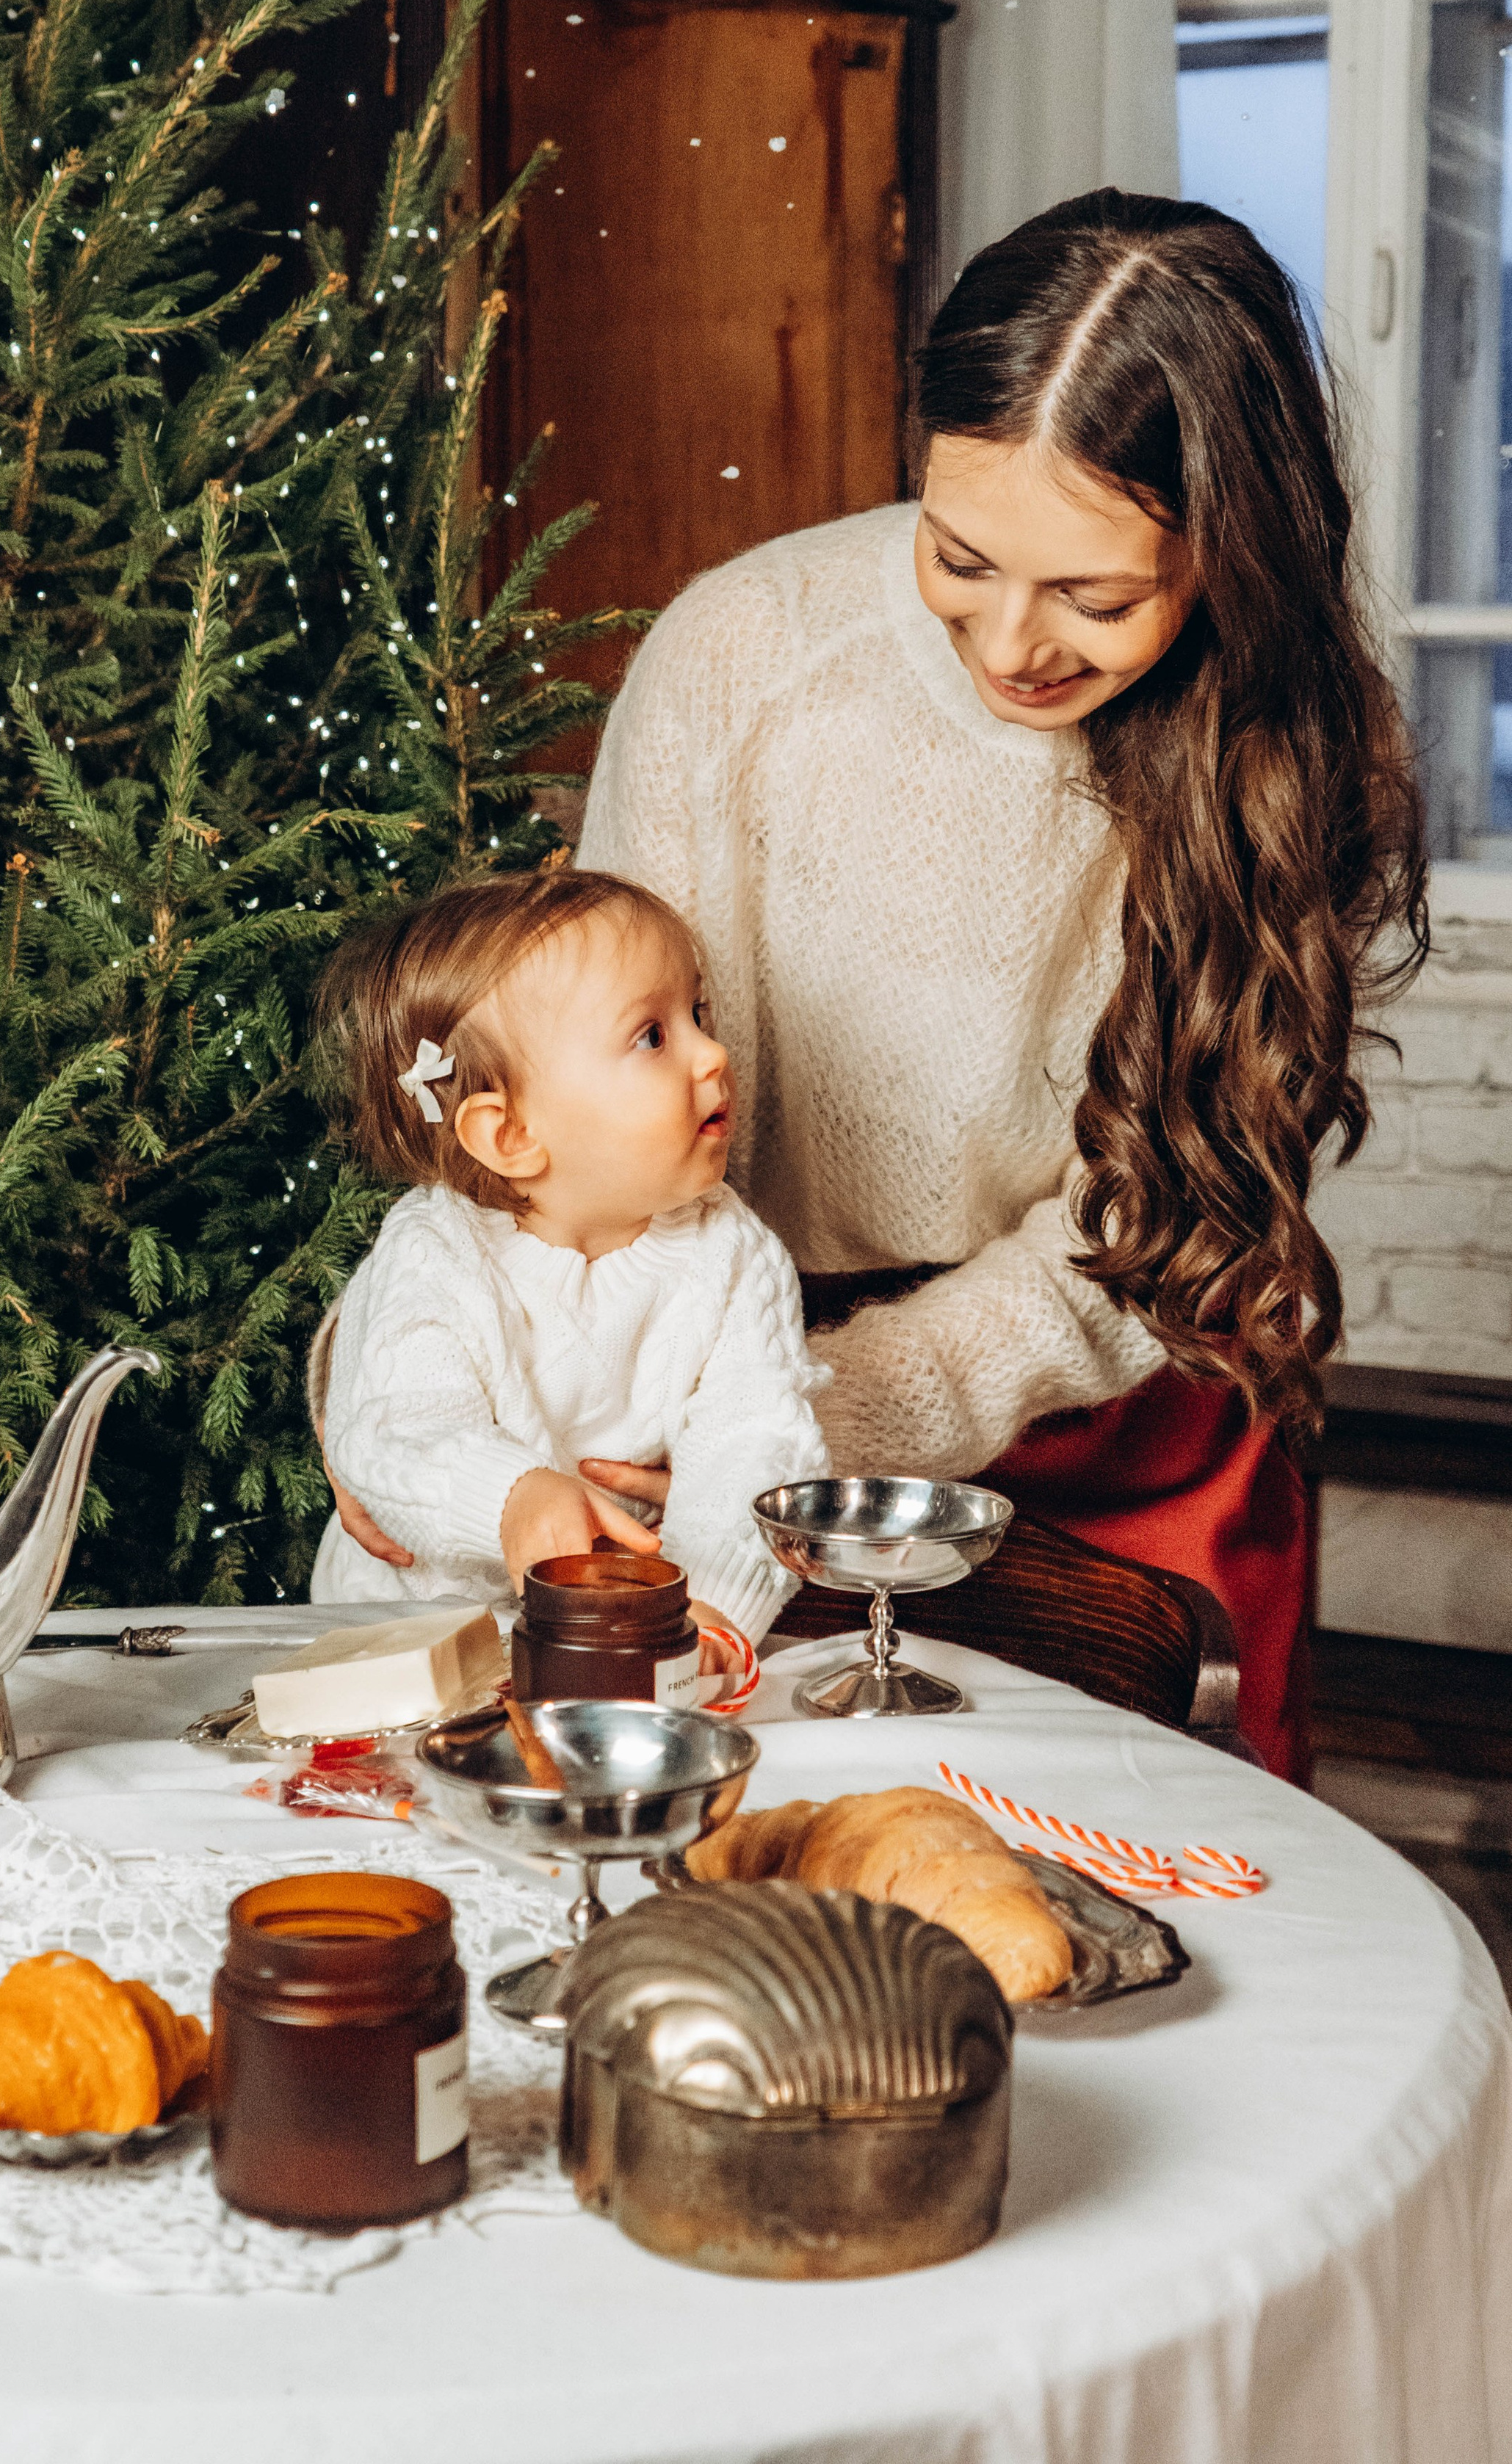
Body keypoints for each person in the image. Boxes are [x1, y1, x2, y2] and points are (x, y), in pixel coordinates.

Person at [327, 189, 1428, 1780]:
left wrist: (806, 1420)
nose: (1009, 645)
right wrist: (428, 1405)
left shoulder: (1311, 749)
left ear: (1230, 549)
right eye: (956, 554)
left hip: (1102, 1436)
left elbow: (1169, 1222)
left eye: (1098, 599)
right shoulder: (741, 658)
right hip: (694, 1423)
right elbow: (573, 1096)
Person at [307, 867, 828, 1670]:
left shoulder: (733, 1253)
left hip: (620, 1638)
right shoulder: (434, 1254)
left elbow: (754, 1441)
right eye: (652, 1036)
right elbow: (392, 1429)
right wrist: (511, 1495)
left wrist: (712, 1607)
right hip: (409, 1644)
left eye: (697, 1013)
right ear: (511, 1135)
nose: (713, 1053)